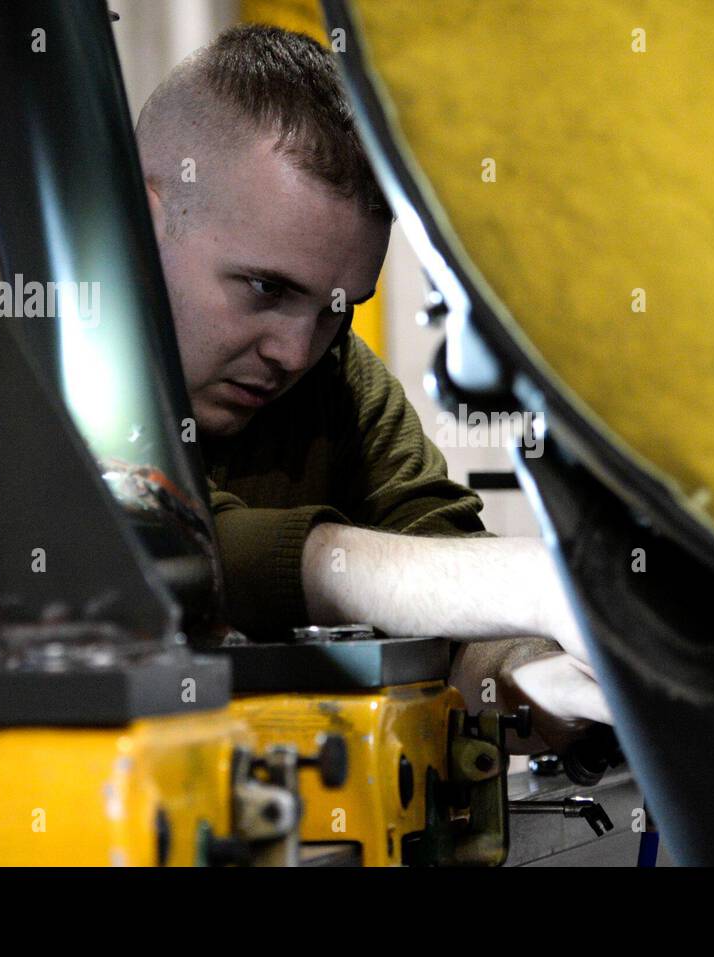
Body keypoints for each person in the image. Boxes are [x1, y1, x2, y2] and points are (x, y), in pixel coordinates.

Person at [134, 24, 609, 752]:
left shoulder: (332, 375)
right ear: (142, 224)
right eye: (265, 288)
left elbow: (439, 568)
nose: (295, 352)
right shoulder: (9, 361)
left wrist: (532, 676)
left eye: (337, 307)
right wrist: (537, 582)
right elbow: (168, 547)